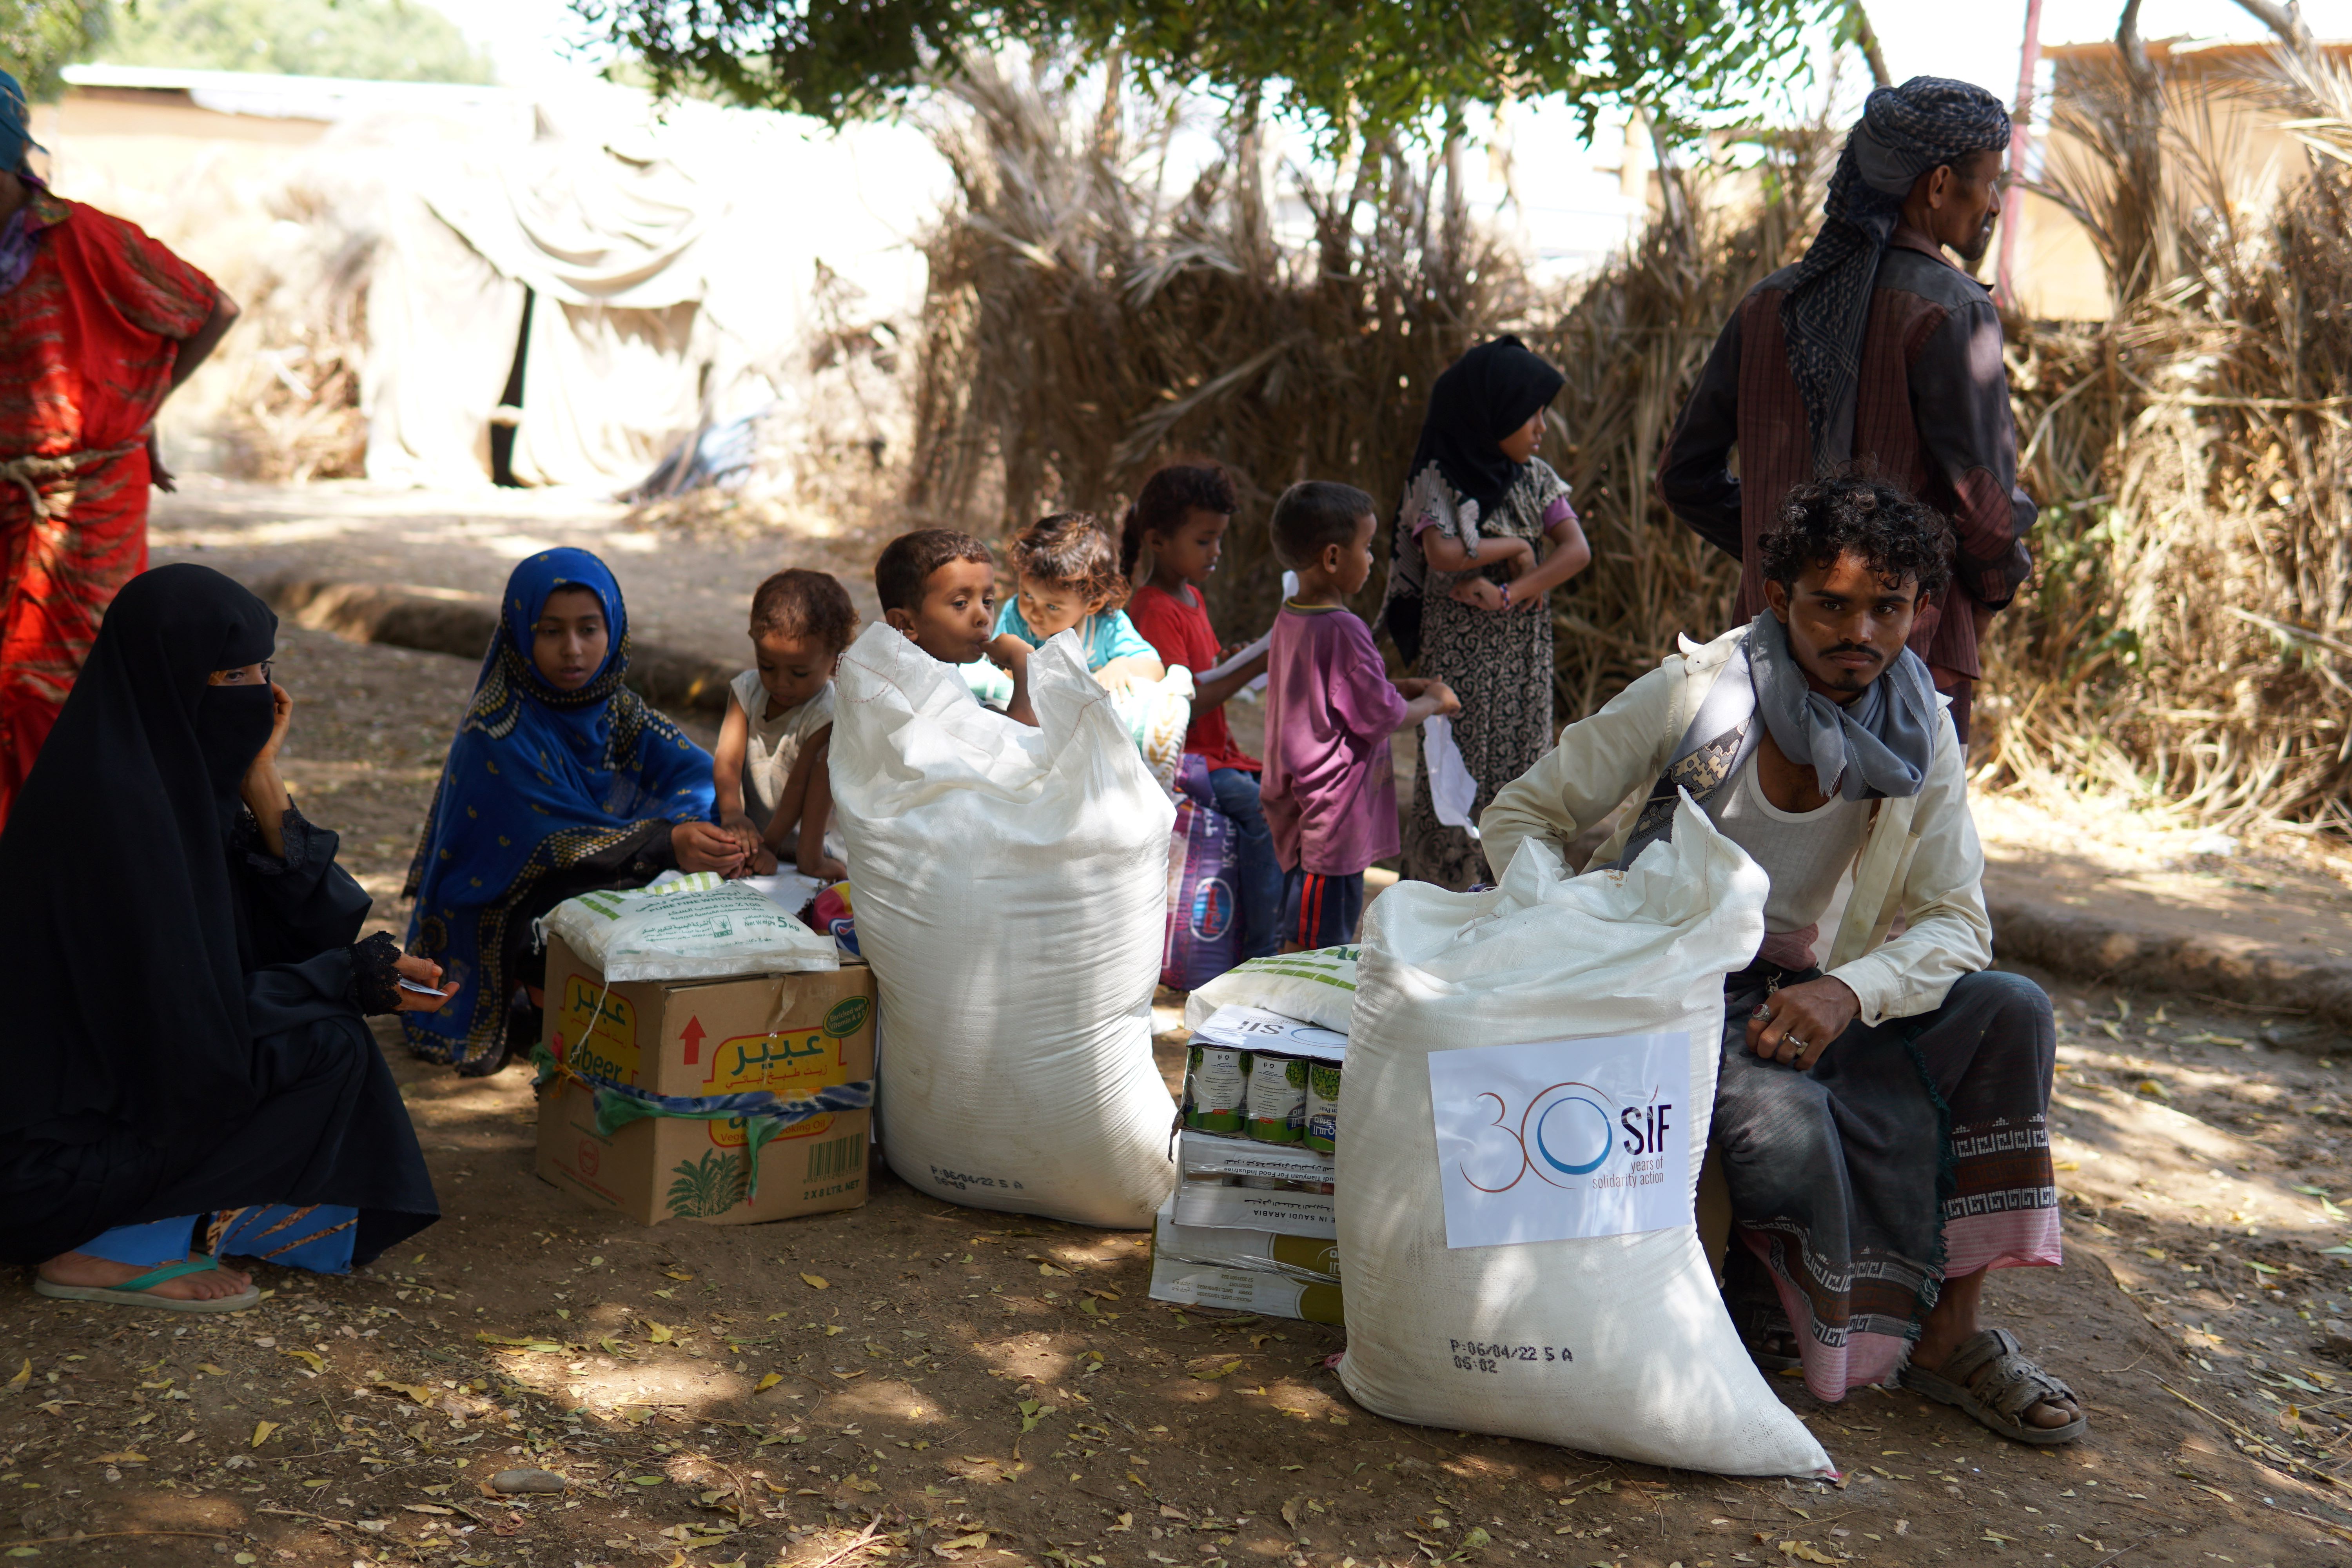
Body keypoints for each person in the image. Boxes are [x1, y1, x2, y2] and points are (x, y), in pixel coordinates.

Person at [1481, 474, 2080, 1447]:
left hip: (1794, 991)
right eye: (1829, 605)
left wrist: (1847, 990)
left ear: (1922, 612)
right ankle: (1788, 1313)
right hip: (1663, 990)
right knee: (1780, 1115)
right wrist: (1575, 935)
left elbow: (1953, 922)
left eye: (1888, 608)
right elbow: (1522, 813)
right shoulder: (1699, 694)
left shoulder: (1918, 726)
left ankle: (1950, 1336)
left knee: (2012, 1008)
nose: (1861, 634)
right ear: (1778, 601)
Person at [0, 565, 444, 1310]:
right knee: (325, 1045)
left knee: (323, 1030)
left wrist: (263, 781)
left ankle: (160, 1223)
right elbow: (187, 1042)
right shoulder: (113, 821)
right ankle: (105, 1249)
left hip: (93, 1128)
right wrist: (348, 980)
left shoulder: (160, 784)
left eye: (263, 668)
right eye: (231, 673)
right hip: (40, 1170)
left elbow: (288, 937)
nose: (258, 695)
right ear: (167, 678)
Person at [1657, 75, 2034, 747]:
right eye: (1990, 182)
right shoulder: (1951, 310)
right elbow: (1985, 516)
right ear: (1940, 185)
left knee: (1765, 842)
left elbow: (1684, 477)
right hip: (1905, 654)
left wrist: (1791, 559)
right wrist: (1998, 576)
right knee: (1892, 847)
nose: (1997, 204)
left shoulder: (1768, 303)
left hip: (1771, 649)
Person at [0, 70, 242, 829]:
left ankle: (75, 847)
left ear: (11, 161)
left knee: (66, 681)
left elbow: (212, 307)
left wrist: (146, 405)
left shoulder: (90, 239)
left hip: (91, 498)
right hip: (10, 495)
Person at [403, 549, 732, 1076]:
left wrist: (713, 824)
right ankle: (540, 997)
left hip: (598, 866)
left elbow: (694, 771)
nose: (573, 650)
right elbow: (552, 844)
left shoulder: (616, 707)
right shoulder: (496, 730)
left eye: (589, 629)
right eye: (551, 631)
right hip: (506, 899)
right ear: (519, 632)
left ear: (614, 628)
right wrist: (668, 841)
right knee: (616, 893)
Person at [1379, 337, 1592, 891]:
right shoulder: (1439, 480)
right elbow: (1443, 553)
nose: (1541, 428)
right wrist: (1518, 547)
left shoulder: (1537, 478)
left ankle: (1511, 898)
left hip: (1522, 661)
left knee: (1522, 774)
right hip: (1460, 666)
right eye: (1532, 415)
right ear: (1489, 411)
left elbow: (1577, 550)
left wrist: (1512, 590)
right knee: (1455, 773)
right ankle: (1445, 901)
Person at [1264, 481, 1459, 949]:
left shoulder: (1292, 616)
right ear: (1333, 558)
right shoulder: (1344, 629)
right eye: (1367, 548)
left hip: (1302, 811)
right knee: (1314, 946)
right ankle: (1301, 1018)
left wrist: (1394, 688)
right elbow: (1384, 716)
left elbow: (1341, 698)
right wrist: (1435, 702)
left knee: (1309, 931)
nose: (1372, 560)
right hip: (1330, 824)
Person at [1122, 462, 1279, 960]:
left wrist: (1232, 660)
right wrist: (1256, 661)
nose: (1216, 553)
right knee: (1263, 812)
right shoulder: (1153, 609)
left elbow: (1200, 670)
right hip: (1183, 761)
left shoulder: (1191, 597)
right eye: (1205, 540)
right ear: (1157, 540)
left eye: (1220, 540)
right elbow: (1182, 700)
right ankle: (1262, 950)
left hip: (1215, 752)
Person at [713, 568, 857, 881]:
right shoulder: (747, 691)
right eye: (767, 666)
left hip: (814, 843)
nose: (781, 683)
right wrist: (732, 815)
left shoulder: (827, 715)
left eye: (799, 673)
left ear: (834, 662)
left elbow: (799, 787)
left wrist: (771, 845)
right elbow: (728, 758)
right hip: (751, 832)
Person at [878, 527, 1036, 726]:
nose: (983, 617)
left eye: (988, 601)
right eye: (961, 603)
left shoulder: (943, 686)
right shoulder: (925, 698)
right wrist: (1023, 661)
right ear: (906, 624)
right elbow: (1027, 731)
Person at [991, 512, 1165, 690]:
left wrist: (1122, 666)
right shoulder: (1016, 615)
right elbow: (995, 667)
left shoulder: (1108, 624)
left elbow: (1156, 668)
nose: (1035, 614)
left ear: (1094, 604)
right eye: (1028, 595)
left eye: (1052, 607)